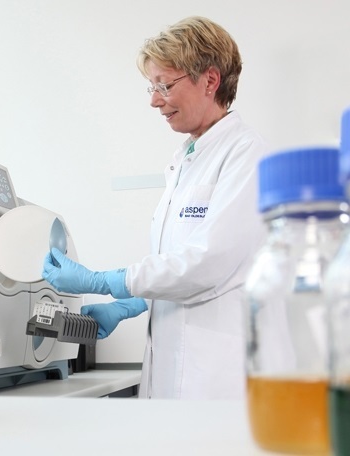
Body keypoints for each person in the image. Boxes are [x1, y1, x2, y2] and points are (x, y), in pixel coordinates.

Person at [42, 16, 267, 399]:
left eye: (164, 85)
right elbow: (177, 266)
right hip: (172, 371)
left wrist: (103, 282)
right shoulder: (186, 161)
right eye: (152, 87)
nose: (154, 100)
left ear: (210, 80)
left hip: (215, 378)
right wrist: (132, 304)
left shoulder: (246, 154)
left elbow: (208, 263)